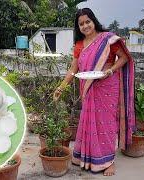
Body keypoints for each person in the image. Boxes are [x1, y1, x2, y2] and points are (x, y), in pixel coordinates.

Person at [53, 8, 135, 176]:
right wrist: (61, 87)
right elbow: (73, 69)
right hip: (88, 88)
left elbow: (125, 58)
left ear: (94, 21)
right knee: (90, 123)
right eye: (81, 24)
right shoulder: (79, 45)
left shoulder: (107, 39)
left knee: (106, 124)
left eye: (87, 22)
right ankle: (89, 158)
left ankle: (109, 161)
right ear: (78, 27)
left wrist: (110, 70)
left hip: (107, 87)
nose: (85, 26)